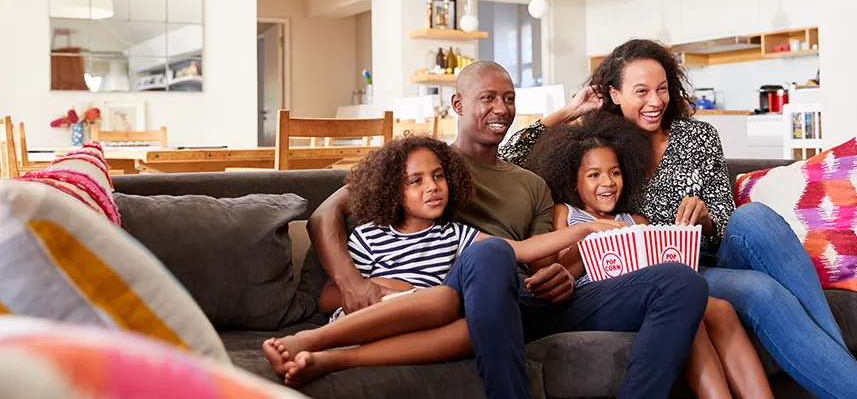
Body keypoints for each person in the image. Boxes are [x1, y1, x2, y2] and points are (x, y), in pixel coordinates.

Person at [306, 60, 709, 399]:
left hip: (528, 300)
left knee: (681, 283)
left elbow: (542, 258)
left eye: (509, 99)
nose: (501, 108)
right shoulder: (424, 164)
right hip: (461, 296)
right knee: (491, 252)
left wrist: (560, 274)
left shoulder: (530, 182)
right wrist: (354, 283)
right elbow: (324, 216)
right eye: (488, 98)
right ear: (458, 104)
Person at [501, 39, 857, 399]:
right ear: (615, 93)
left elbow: (724, 213)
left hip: (713, 254)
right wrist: (569, 110)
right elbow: (508, 155)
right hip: (672, 273)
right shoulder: (603, 149)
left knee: (754, 217)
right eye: (641, 91)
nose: (655, 101)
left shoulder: (698, 136)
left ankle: (838, 360)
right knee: (760, 291)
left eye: (662, 89)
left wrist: (705, 218)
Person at [263, 134, 653, 385]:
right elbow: (330, 298)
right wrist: (396, 291)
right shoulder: (370, 234)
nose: (432, 188)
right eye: (416, 181)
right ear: (392, 191)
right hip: (372, 320)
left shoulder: (454, 234)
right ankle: (310, 340)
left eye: (438, 177)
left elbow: (517, 251)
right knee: (443, 299)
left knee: (476, 328)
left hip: (429, 328)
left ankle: (330, 362)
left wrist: (584, 231)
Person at [526, 112, 773, 399]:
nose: (607, 182)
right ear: (572, 179)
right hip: (598, 297)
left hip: (647, 293)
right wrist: (592, 237)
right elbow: (561, 271)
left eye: (615, 172)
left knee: (719, 309)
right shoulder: (565, 214)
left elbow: (660, 264)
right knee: (688, 310)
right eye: (594, 175)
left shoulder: (636, 221)